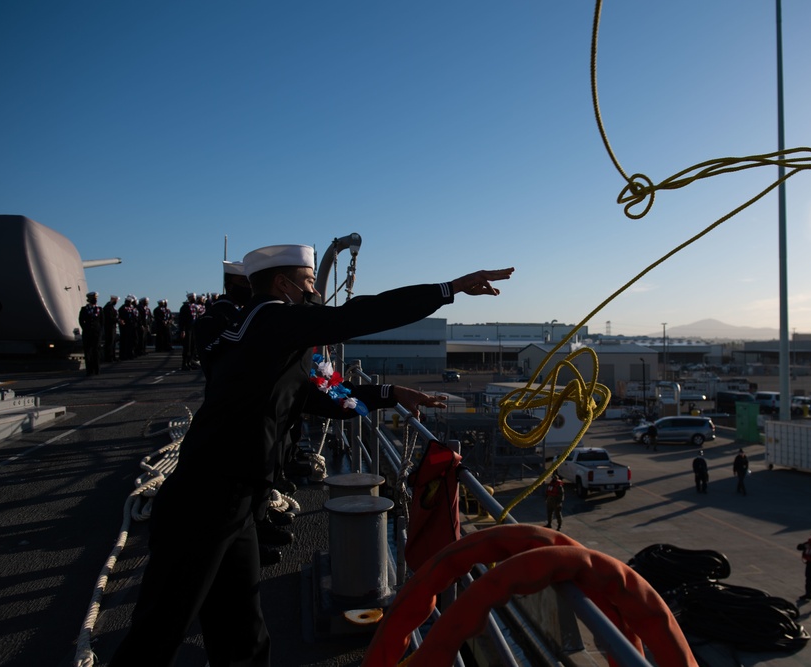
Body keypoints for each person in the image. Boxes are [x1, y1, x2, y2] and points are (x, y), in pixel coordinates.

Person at [108, 243, 513, 667]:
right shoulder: (271, 320)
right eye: (308, 284)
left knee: (241, 632)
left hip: (238, 499)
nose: (315, 295)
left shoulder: (269, 332)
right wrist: (448, 289)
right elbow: (356, 316)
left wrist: (390, 394)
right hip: (206, 498)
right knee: (158, 633)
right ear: (282, 285)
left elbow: (322, 395)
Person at [78, 291, 104, 375]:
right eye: (93, 299)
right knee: (88, 351)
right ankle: (89, 370)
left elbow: (102, 321)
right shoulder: (84, 309)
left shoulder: (99, 309)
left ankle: (97, 369)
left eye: (96, 299)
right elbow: (81, 320)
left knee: (96, 351)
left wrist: (100, 330)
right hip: (87, 332)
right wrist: (85, 328)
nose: (95, 300)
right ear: (89, 299)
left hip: (96, 333)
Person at [178, 293, 199, 370]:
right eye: (193, 297)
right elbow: (181, 319)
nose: (194, 298)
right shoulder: (184, 307)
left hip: (193, 328)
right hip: (187, 329)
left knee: (193, 346)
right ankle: (184, 364)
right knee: (187, 347)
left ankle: (189, 362)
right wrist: (182, 330)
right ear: (189, 298)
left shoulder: (195, 307)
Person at [117, 295, 138, 361]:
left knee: (132, 341)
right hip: (125, 328)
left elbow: (136, 316)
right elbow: (121, 317)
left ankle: (130, 353)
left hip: (132, 326)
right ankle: (123, 355)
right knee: (125, 342)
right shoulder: (122, 308)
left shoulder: (133, 308)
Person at [102, 295, 119, 362]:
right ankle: (109, 357)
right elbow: (109, 318)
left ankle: (112, 356)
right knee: (110, 342)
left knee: (113, 342)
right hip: (109, 327)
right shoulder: (108, 307)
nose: (117, 302)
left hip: (113, 327)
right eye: (116, 300)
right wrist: (117, 320)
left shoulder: (111, 307)